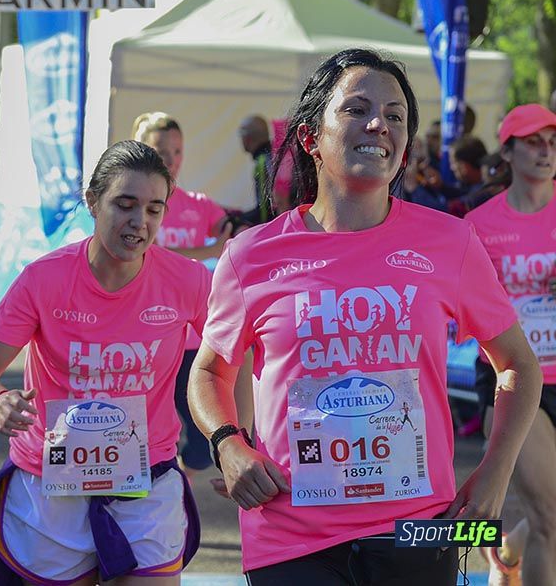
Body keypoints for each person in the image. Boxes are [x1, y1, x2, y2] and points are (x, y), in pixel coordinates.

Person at [188, 48, 542, 584]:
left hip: (420, 530)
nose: (379, 123)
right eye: (356, 109)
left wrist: (495, 472)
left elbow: (517, 363)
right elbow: (210, 372)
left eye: (395, 116)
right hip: (290, 533)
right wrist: (228, 445)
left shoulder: (449, 241)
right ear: (310, 138)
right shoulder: (250, 254)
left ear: (404, 149)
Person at [0, 140, 208, 585]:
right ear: (92, 201)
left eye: (153, 210)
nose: (138, 223)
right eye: (124, 205)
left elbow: (231, 357)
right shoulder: (45, 279)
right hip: (51, 480)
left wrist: (234, 439)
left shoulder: (188, 281)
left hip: (146, 480)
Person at [466, 103, 556, 586]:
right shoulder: (478, 226)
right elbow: (465, 309)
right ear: (509, 150)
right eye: (533, 142)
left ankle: (508, 547)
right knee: (551, 517)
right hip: (515, 378)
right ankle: (521, 544)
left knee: (552, 516)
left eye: (552, 142)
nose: (545, 152)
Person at [131, 112, 244, 478]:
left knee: (198, 441)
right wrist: (207, 252)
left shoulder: (199, 204)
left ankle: (175, 489)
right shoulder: (132, 205)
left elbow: (233, 236)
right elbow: (144, 255)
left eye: (177, 151)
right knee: (137, 433)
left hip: (191, 340)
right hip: (141, 339)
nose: (171, 159)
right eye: (161, 150)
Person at [237, 114, 273, 226]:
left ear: (247, 139)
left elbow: (264, 212)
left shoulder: (262, 162)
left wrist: (237, 219)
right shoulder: (276, 154)